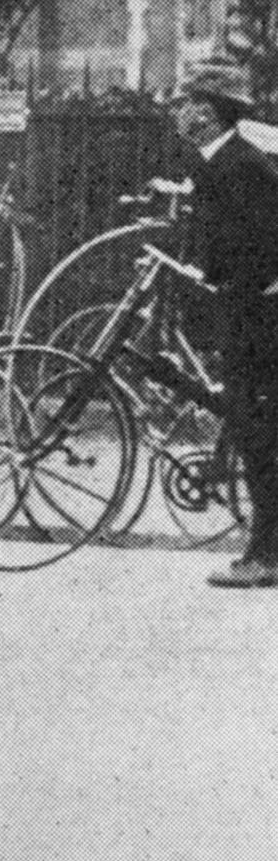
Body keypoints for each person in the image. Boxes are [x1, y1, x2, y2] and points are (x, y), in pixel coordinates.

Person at [167, 62, 278, 590]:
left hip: (259, 317)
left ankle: (266, 556)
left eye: (187, 101)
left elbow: (264, 244)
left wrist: (240, 285)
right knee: (253, 430)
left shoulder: (242, 166)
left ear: (209, 114)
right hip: (245, 308)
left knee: (258, 435)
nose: (179, 109)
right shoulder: (217, 161)